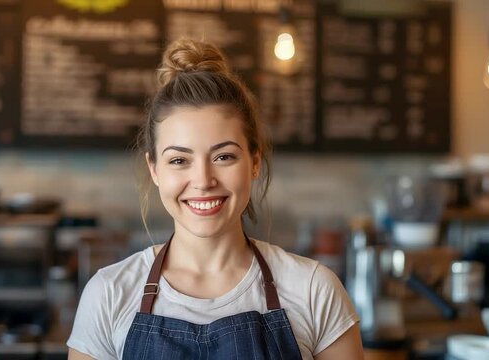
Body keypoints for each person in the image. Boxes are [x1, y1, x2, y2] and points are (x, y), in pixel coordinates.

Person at [67, 39, 364, 360]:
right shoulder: (109, 294)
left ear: (254, 162)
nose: (203, 181)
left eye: (223, 156)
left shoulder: (313, 290)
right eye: (179, 160)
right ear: (154, 169)